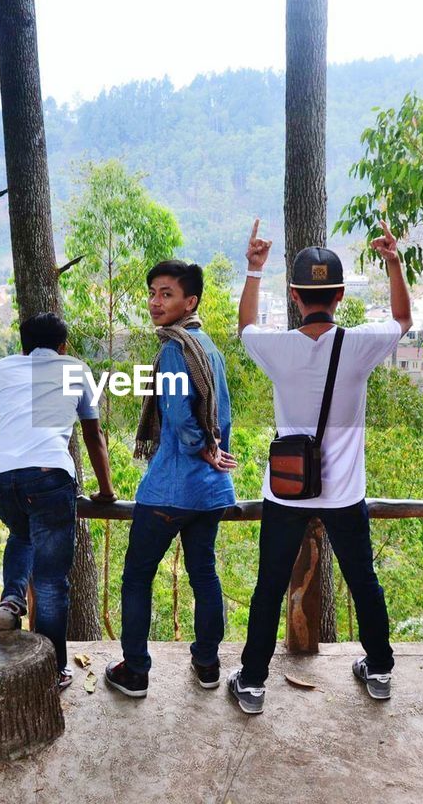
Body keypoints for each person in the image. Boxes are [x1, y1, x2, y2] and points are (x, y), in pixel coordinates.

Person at [226, 219, 411, 715]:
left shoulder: (278, 348)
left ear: (294, 295)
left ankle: (253, 681)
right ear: (340, 295)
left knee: (269, 584)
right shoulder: (361, 344)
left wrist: (254, 268)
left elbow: (245, 325)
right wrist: (394, 262)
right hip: (345, 493)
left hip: (286, 490)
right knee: (363, 580)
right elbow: (402, 319)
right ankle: (379, 670)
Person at [104, 261, 238, 698]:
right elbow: (225, 416)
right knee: (204, 575)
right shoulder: (209, 348)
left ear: (190, 301)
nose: (155, 302)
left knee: (137, 577)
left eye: (166, 294)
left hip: (170, 490)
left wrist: (202, 448)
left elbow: (179, 417)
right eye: (152, 293)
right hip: (210, 491)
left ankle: (137, 672)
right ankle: (207, 665)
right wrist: (215, 451)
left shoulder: (175, 350)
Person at [0, 312, 117, 691]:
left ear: (23, 346)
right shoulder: (75, 368)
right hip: (48, 474)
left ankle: (11, 599)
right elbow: (94, 435)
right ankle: (54, 667)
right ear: (63, 346)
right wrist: (106, 492)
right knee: (52, 582)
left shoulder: (3, 367)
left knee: (22, 535)